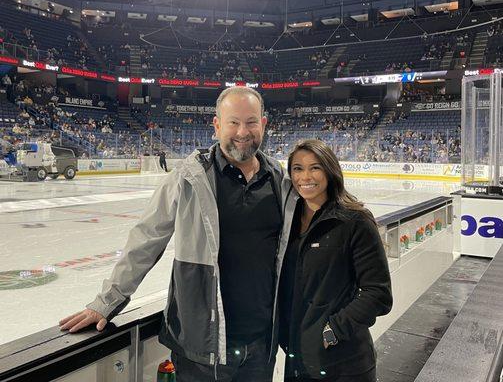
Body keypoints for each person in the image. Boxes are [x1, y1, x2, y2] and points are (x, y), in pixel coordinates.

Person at [59, 86, 292, 382]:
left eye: (251, 122)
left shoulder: (279, 180)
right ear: (217, 125)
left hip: (260, 346)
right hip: (200, 347)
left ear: (264, 124)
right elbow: (146, 239)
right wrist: (107, 301)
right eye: (233, 122)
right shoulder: (189, 177)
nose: (242, 132)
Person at [279, 139, 393, 382]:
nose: (305, 176)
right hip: (297, 360)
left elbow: (378, 293)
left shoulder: (355, 220)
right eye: (297, 168)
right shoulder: (287, 222)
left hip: (344, 363)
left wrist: (331, 332)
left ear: (330, 170)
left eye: (315, 167)